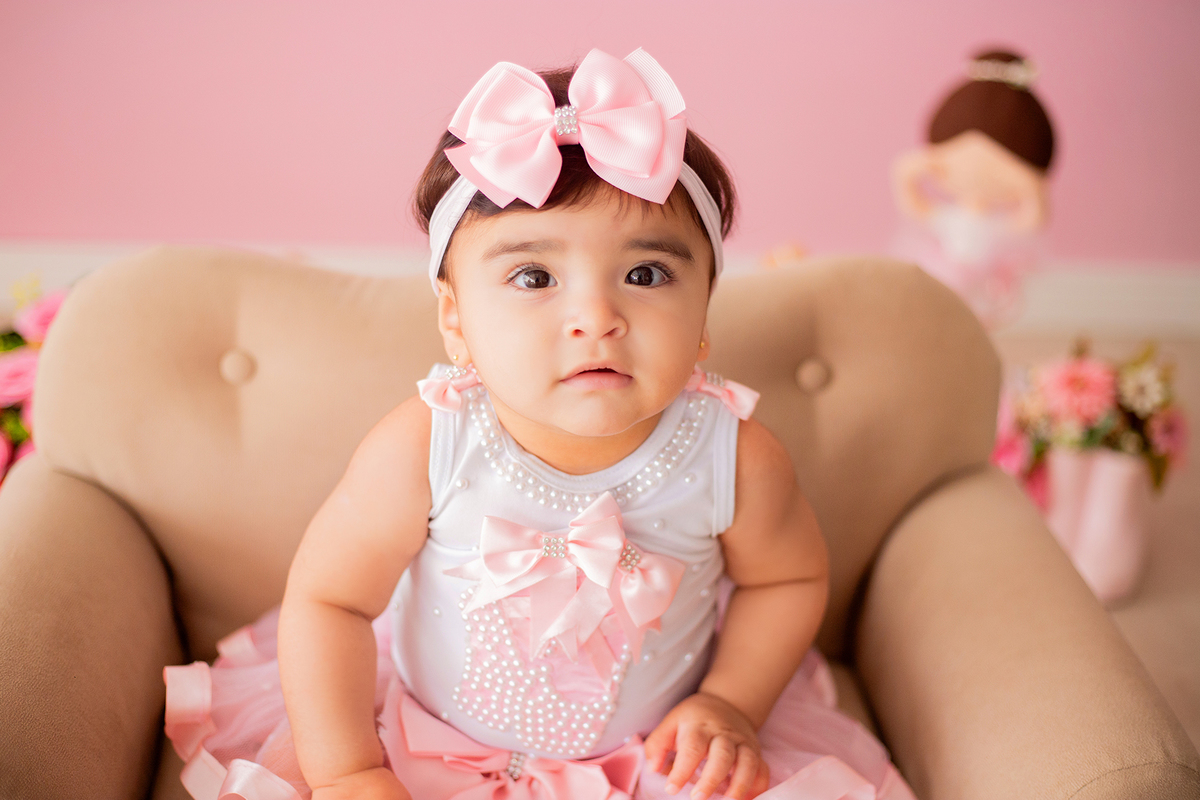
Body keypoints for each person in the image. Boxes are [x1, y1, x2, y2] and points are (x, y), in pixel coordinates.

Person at [163, 48, 915, 800]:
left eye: (646, 275)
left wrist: (729, 702)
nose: (596, 318)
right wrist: (348, 771)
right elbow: (330, 600)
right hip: (423, 741)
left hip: (654, 756)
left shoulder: (735, 456)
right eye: (534, 277)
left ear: (704, 318)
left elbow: (786, 577)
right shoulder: (427, 444)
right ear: (455, 322)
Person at [892, 49, 1056, 328]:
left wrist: (1031, 191)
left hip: (985, 284)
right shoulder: (948, 217)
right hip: (942, 280)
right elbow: (917, 209)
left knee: (976, 323)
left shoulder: (999, 225)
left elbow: (1031, 222)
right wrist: (905, 175)